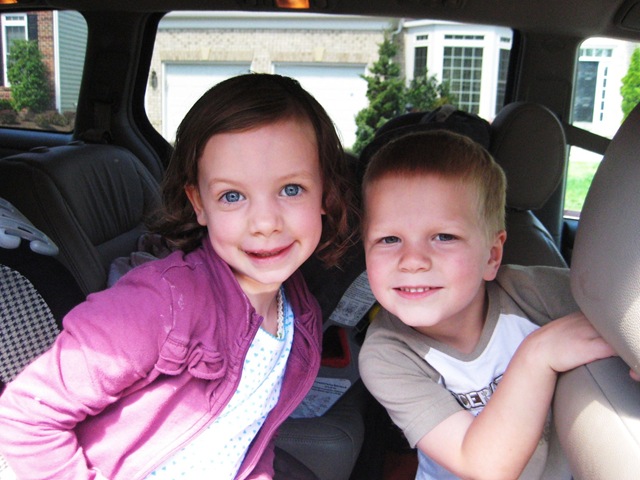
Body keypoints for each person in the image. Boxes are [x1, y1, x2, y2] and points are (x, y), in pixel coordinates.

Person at [0, 73, 356, 479]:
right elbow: (27, 416)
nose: (265, 223)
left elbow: (249, 429)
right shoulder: (160, 303)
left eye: (291, 189)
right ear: (199, 204)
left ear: (326, 193)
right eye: (232, 196)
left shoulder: (299, 312)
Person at [358, 130, 617, 479]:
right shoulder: (387, 354)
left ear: (492, 256)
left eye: (444, 237)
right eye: (389, 239)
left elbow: (626, 312)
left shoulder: (535, 293)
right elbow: (481, 465)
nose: (413, 260)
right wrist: (539, 354)